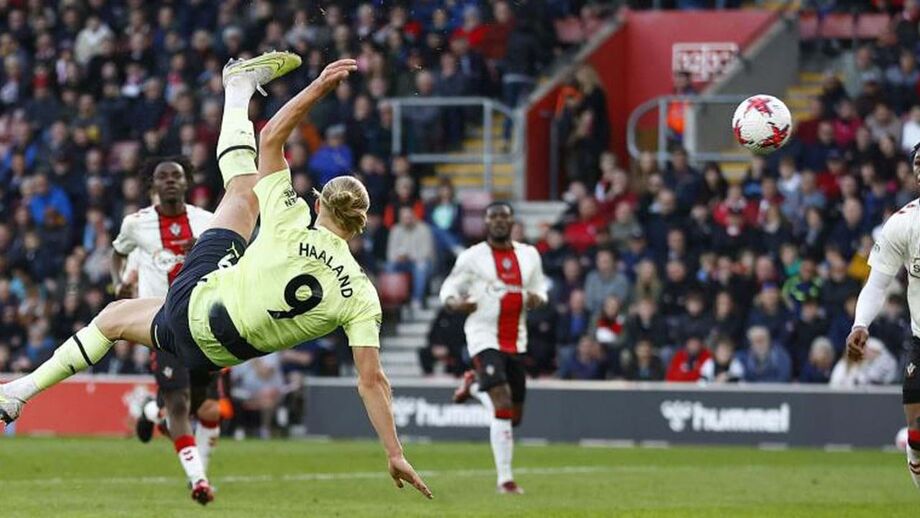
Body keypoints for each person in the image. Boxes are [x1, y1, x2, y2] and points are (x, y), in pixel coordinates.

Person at [0, 53, 431, 503]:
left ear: (320, 202)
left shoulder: (290, 218)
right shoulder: (361, 294)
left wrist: (319, 87)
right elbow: (372, 380)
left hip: (195, 306)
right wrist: (394, 451)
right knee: (116, 317)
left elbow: (271, 139)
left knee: (243, 190)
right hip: (213, 352)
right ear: (361, 223)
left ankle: (238, 87)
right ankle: (18, 393)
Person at [110, 156, 221, 490]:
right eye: (163, 177)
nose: (171, 181)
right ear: (153, 186)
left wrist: (203, 250)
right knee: (179, 403)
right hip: (162, 325)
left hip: (202, 322)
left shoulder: (207, 222)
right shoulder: (136, 224)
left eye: (177, 175)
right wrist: (120, 283)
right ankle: (198, 479)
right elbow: (118, 252)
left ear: (187, 182)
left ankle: (149, 413)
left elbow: (230, 260)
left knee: (207, 407)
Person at [440, 201, 547, 495]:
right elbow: (448, 288)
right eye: (493, 217)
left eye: (504, 216)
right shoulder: (472, 257)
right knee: (501, 404)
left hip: (516, 339)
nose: (499, 221)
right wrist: (455, 303)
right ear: (486, 223)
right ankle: (506, 480)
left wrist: (539, 298)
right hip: (483, 335)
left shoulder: (529, 255)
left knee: (514, 417)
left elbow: (540, 288)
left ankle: (475, 386)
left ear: (512, 222)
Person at [846, 148, 920, 489]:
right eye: (918, 163)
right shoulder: (903, 224)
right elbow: (876, 284)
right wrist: (860, 323)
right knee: (917, 437)